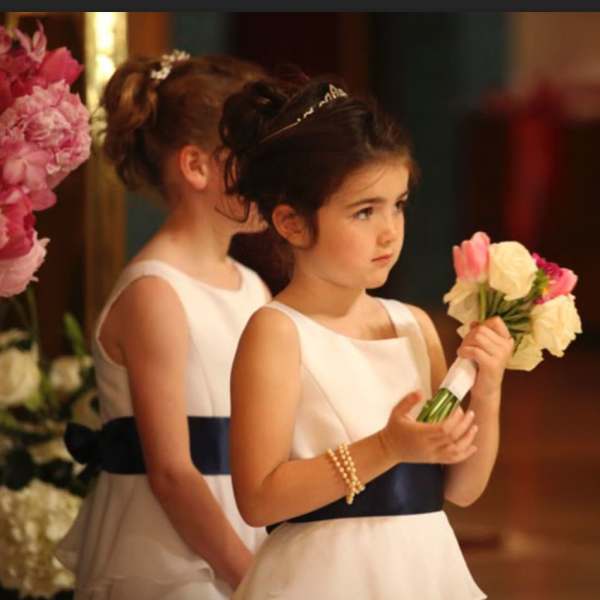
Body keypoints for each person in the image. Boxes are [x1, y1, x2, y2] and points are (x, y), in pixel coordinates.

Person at [219, 75, 514, 599]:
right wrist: (387, 446)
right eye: (364, 211)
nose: (389, 231)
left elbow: (461, 489)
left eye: (398, 204)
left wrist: (487, 389)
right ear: (291, 222)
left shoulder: (414, 326)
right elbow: (258, 499)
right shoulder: (278, 331)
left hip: (423, 570)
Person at [56, 51, 270, 600]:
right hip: (170, 550)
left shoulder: (253, 287)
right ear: (196, 165)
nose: (277, 177)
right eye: (258, 157)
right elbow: (172, 473)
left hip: (244, 525)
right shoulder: (156, 293)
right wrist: (252, 579)